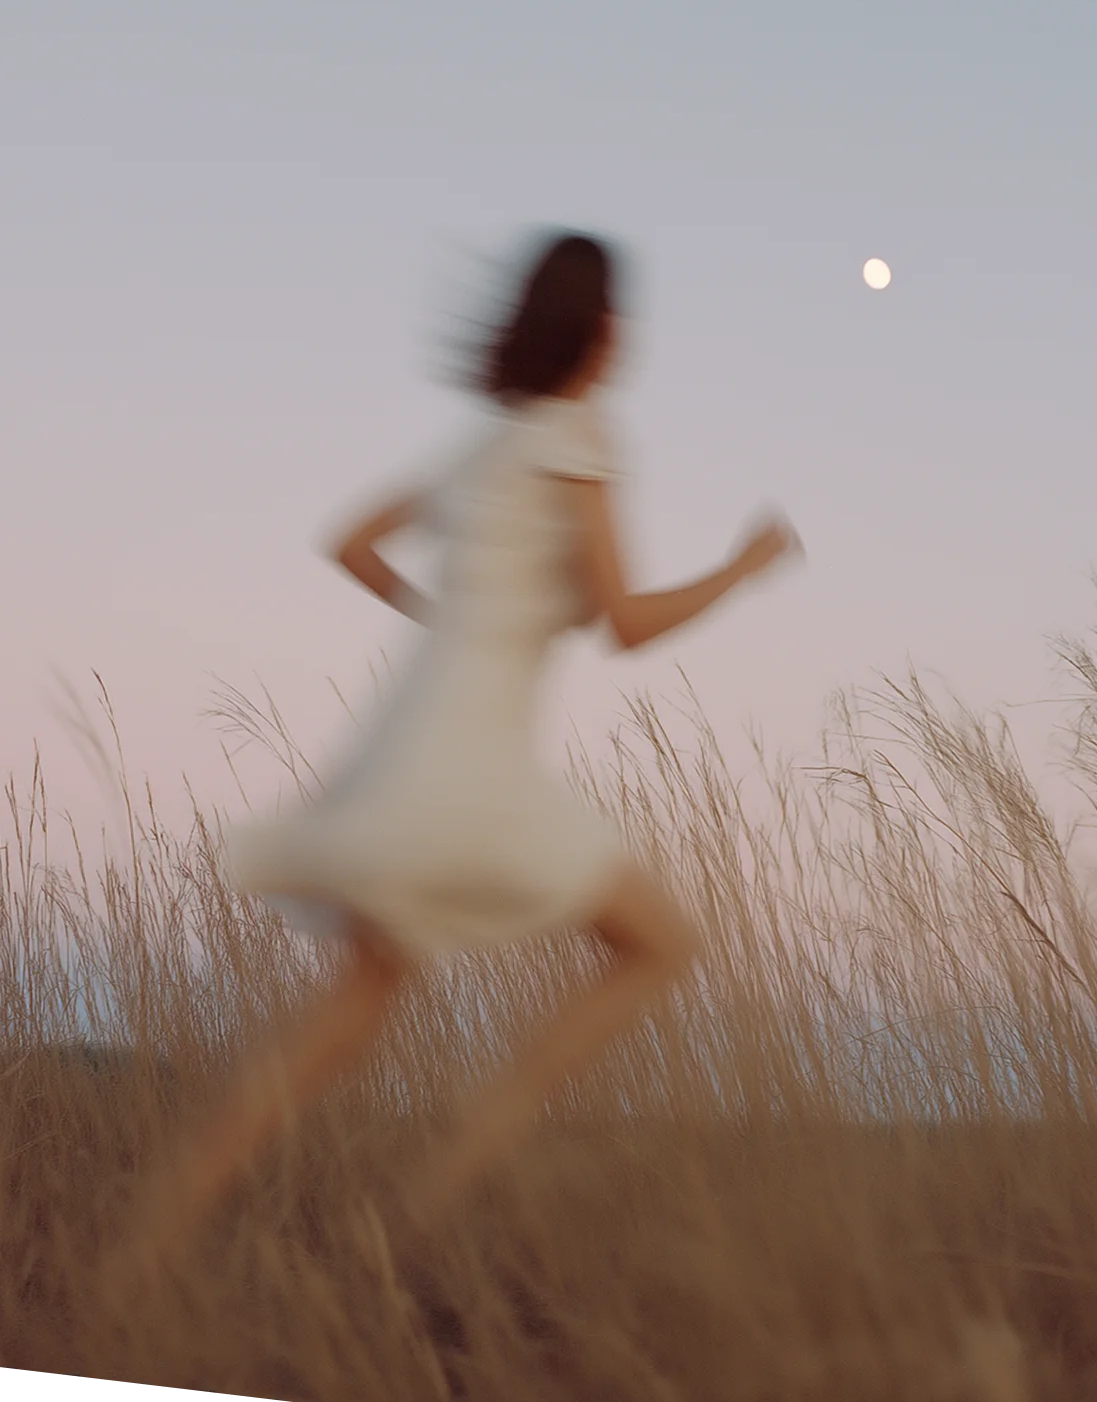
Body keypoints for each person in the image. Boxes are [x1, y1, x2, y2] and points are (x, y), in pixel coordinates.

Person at [145, 230, 801, 1240]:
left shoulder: (484, 444)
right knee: (659, 946)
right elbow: (624, 622)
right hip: (474, 764)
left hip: (408, 738)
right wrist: (742, 566)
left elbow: (350, 542)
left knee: (354, 1005)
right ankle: (425, 1200)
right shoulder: (583, 433)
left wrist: (444, 621)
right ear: (598, 326)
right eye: (621, 314)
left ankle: (147, 1246)